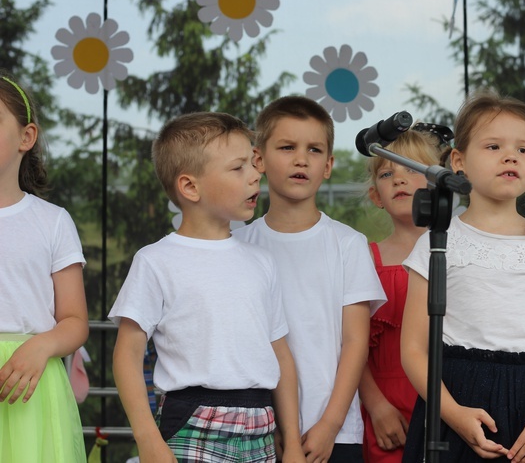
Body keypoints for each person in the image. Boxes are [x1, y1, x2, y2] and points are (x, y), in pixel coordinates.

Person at [401, 90, 525, 462]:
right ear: (459, 161)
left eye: (523, 149)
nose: (511, 156)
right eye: (493, 146)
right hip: (456, 400)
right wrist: (453, 414)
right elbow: (412, 349)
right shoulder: (437, 242)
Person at [109, 112, 304, 463]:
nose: (255, 175)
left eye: (253, 164)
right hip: (192, 422)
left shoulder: (262, 262)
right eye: (238, 167)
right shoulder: (156, 260)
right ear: (190, 187)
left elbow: (282, 358)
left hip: (261, 423)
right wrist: (147, 439)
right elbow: (126, 355)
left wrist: (291, 443)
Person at [233, 96, 386, 463]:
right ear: (259, 159)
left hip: (335, 433)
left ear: (328, 165)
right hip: (256, 430)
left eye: (314, 149)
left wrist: (330, 425)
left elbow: (355, 343)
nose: (301, 159)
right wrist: (274, 429)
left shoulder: (348, 244)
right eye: (287, 147)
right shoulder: (238, 245)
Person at [0, 73, 88, 462]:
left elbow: (74, 320)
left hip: (32, 391)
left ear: (26, 137)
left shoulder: (52, 221)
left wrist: (42, 346)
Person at [358, 125, 450, 463]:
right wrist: (376, 406)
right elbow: (351, 346)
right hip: (386, 408)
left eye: (412, 169)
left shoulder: (462, 255)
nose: (398, 179)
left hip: (451, 402)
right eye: (387, 173)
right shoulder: (365, 258)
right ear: (375, 196)